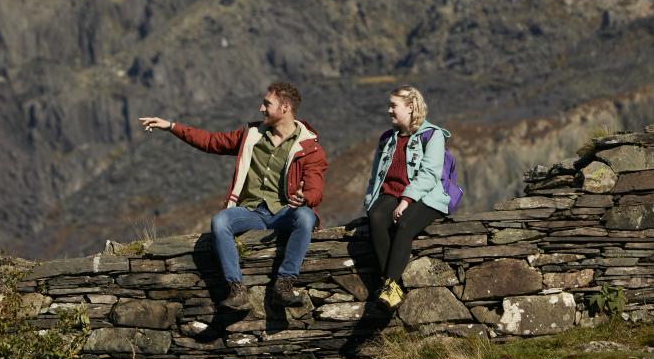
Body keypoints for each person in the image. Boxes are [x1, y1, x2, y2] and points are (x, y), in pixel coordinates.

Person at [138, 82, 328, 312]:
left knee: (306, 218)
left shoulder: (310, 148)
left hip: (284, 213)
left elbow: (316, 189)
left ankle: (285, 284)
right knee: (221, 221)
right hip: (251, 212)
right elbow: (210, 141)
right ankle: (236, 289)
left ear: (285, 107)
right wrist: (170, 126)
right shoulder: (251, 135)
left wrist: (304, 198)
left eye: (267, 104)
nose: (261, 108)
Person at [363, 85, 451, 311]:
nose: (389, 111)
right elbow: (376, 176)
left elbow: (430, 174)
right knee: (376, 216)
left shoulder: (433, 135)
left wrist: (406, 200)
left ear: (410, 107)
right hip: (392, 193)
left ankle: (389, 287)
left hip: (428, 196)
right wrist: (369, 201)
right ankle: (392, 286)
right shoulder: (387, 138)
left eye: (393, 106)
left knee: (404, 224)